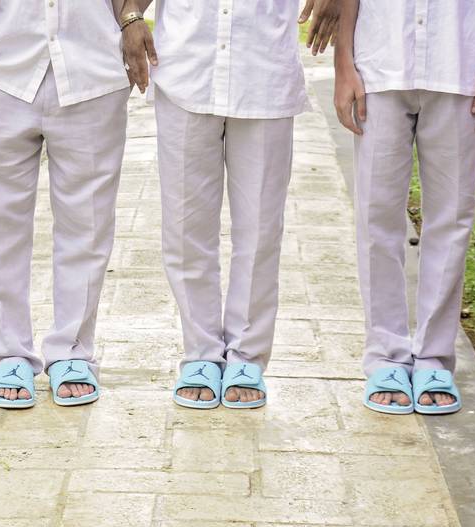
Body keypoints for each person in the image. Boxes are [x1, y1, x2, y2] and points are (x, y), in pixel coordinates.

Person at [119, 0, 340, 409]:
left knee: (259, 230)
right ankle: (201, 352)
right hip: (186, 66)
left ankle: (247, 356)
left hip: (264, 70)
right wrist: (131, 17)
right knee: (186, 227)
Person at [333, 0, 475, 415]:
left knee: (451, 218)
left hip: (461, 62)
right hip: (380, 63)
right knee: (377, 217)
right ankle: (386, 356)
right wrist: (344, 62)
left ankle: (434, 357)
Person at [0, 0, 131, 409]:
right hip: (1, 73)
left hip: (93, 72)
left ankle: (72, 351)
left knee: (87, 226)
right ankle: (10, 353)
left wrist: (127, 21)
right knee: (0, 226)